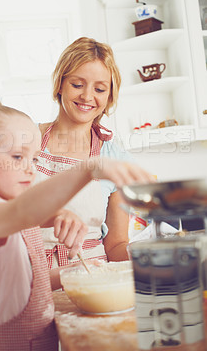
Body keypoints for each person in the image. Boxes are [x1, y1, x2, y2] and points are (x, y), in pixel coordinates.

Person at [0, 97, 153, 351]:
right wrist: (90, 168)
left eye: (34, 159)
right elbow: (25, 210)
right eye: (17, 157)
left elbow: (26, 284)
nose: (30, 170)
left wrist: (73, 268)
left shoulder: (6, 214)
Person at [36, 36, 134, 268]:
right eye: (77, 85)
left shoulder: (115, 159)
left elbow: (116, 244)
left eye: (100, 89)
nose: (87, 96)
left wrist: (143, 257)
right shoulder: (28, 139)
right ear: (60, 84)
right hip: (33, 277)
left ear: (109, 96)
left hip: (93, 278)